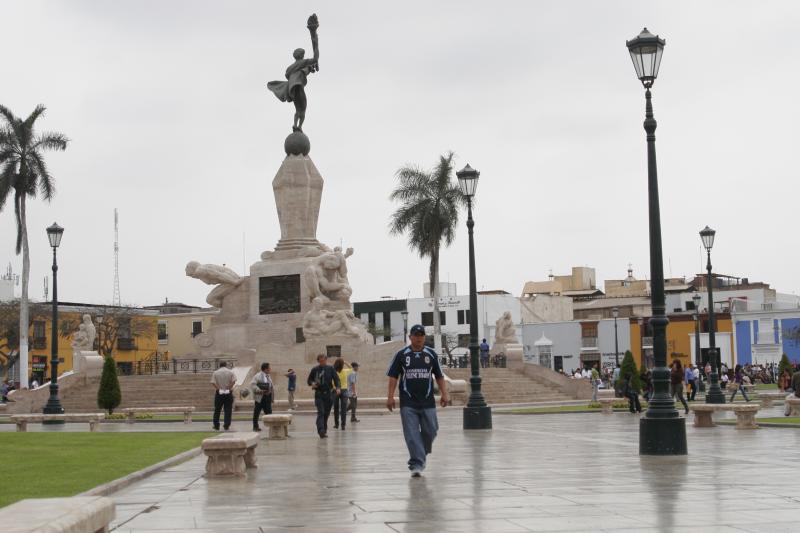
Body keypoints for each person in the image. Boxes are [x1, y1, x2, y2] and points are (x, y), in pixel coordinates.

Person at [387, 324, 449, 477]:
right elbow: (393, 376)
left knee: (431, 430)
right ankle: (416, 464)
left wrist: (444, 393)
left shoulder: (431, 354)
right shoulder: (401, 355)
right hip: (408, 402)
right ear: (410, 337)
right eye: (416, 335)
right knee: (412, 433)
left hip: (428, 401)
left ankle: (421, 452)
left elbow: (439, 376)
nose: (419, 338)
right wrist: (390, 396)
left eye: (421, 335)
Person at [307, 354, 340, 438]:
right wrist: (312, 383)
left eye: (323, 361)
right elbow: (309, 380)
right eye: (320, 361)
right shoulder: (315, 369)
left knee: (326, 413)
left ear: (326, 360)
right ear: (318, 361)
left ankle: (324, 430)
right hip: (319, 394)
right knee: (321, 412)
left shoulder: (331, 368)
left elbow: (336, 379)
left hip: (329, 394)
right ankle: (321, 430)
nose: (322, 362)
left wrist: (338, 388)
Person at [210, 361, 236, 431]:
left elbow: (213, 382)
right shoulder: (230, 372)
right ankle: (226, 425)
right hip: (228, 392)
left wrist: (218, 388)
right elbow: (234, 381)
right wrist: (229, 387)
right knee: (228, 409)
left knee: (217, 409)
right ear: (226, 365)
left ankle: (216, 425)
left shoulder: (216, 372)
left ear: (220, 365)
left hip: (219, 392)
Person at [251, 362, 273, 431]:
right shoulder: (257, 376)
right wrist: (260, 390)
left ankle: (272, 426)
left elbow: (270, 386)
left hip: (267, 397)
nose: (270, 369)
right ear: (265, 369)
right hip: (260, 397)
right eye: (269, 368)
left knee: (269, 413)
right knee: (256, 412)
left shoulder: (268, 376)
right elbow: (253, 385)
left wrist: (270, 392)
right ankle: (255, 426)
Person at [332, 357, 351, 430]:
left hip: (335, 390)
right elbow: (351, 368)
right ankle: (343, 425)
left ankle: (336, 424)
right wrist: (345, 362)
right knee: (343, 409)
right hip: (344, 390)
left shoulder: (333, 371)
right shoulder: (345, 371)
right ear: (342, 364)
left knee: (336, 408)